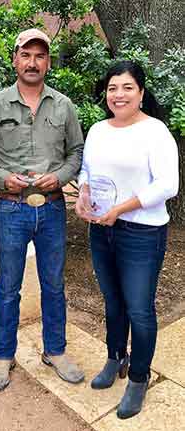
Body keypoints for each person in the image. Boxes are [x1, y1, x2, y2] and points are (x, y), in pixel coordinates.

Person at [0, 28, 85, 391]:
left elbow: (76, 153)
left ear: (48, 62)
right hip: (12, 209)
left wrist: (61, 177)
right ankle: (4, 356)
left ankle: (56, 350)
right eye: (26, 55)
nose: (33, 62)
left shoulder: (64, 106)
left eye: (40, 56)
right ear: (15, 60)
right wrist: (2, 178)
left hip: (51, 209)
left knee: (53, 283)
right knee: (8, 287)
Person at [75, 60, 179, 419]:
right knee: (112, 301)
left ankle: (138, 376)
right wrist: (83, 195)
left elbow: (168, 184)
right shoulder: (98, 130)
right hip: (101, 228)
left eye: (127, 88)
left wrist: (121, 208)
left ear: (141, 93)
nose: (118, 95)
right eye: (112, 88)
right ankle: (115, 357)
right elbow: (88, 170)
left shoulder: (156, 132)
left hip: (142, 232)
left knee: (139, 308)